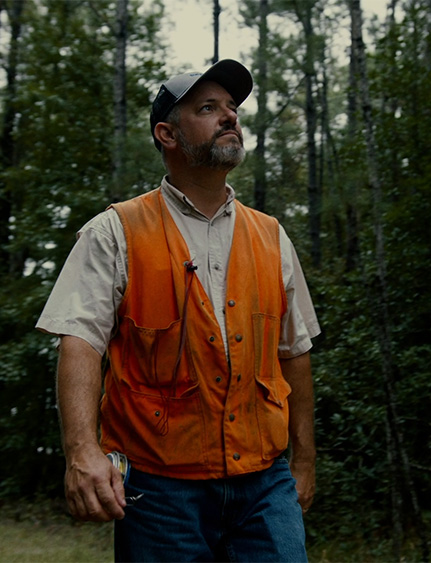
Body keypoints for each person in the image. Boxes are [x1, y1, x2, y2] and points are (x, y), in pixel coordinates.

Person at [35, 59, 320, 562]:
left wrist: (304, 462)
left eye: (232, 108)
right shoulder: (115, 230)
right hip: (160, 490)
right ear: (167, 133)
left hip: (266, 484)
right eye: (208, 108)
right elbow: (79, 341)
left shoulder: (271, 236)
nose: (230, 117)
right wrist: (82, 451)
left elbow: (294, 352)